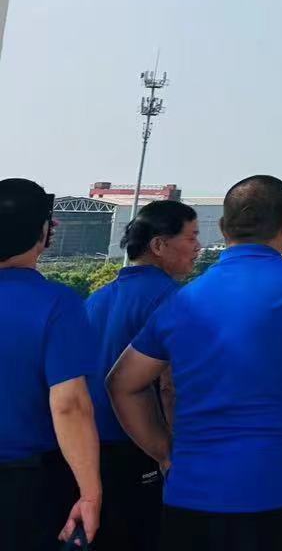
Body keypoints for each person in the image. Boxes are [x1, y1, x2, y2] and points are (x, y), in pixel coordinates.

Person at [107, 175, 282, 551]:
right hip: (281, 498)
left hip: (190, 503)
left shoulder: (182, 302)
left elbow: (122, 383)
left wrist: (164, 451)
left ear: (224, 227)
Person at [85, 198, 201, 551]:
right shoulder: (174, 300)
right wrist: (171, 453)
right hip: (143, 449)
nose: (198, 247)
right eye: (191, 237)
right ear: (159, 245)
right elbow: (170, 385)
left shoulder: (96, 299)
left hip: (87, 450)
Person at [0, 178, 101, 550]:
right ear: (43, 232)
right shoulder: (57, 304)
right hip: (22, 485)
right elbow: (69, 404)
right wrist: (90, 493)